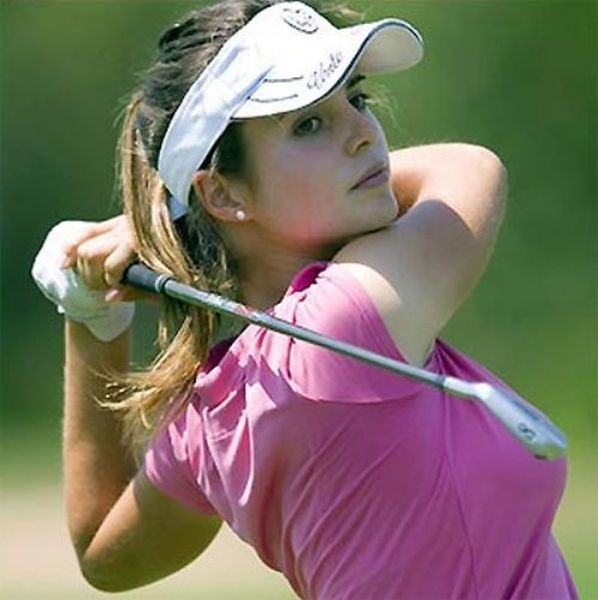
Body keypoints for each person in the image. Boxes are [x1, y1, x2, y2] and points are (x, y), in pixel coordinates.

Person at [32, 1, 578, 598]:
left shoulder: (215, 413)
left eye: (357, 100)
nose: (363, 133)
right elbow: (468, 167)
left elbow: (104, 554)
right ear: (221, 192)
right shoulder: (341, 322)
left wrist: (91, 316)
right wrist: (163, 215)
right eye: (309, 124)